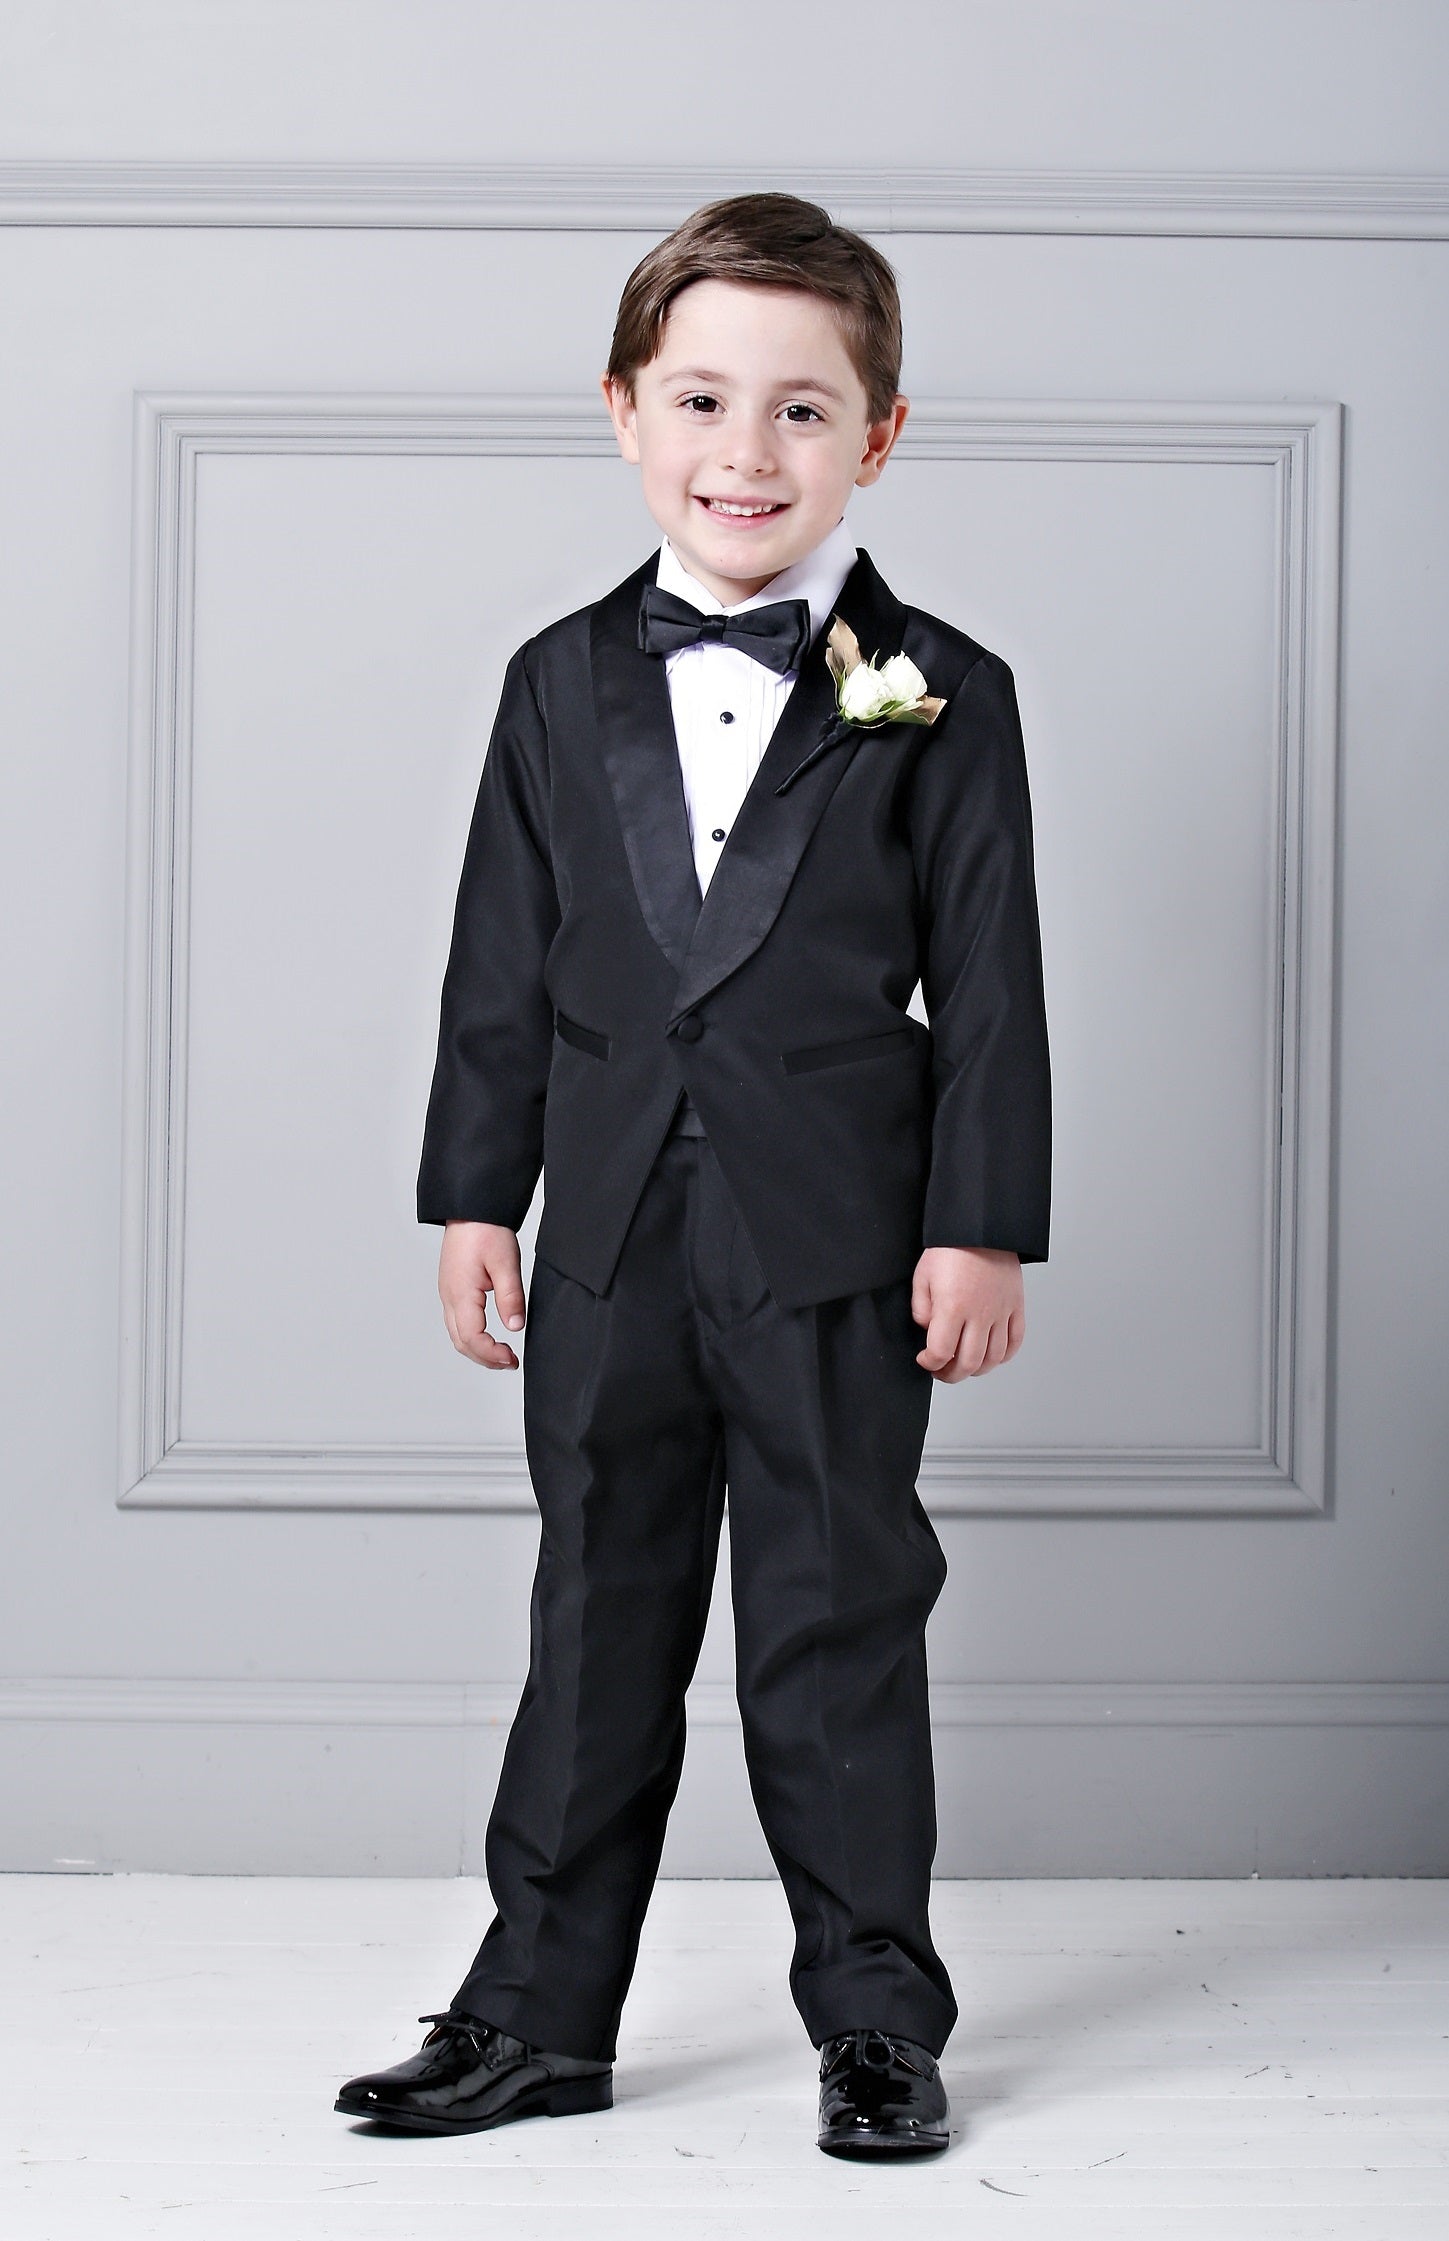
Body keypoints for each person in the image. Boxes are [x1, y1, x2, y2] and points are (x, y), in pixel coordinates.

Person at [335, 191, 1051, 2160]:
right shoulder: (553, 679)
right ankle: (535, 2010)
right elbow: (500, 960)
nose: (748, 450)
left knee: (834, 1624)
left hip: (835, 1237)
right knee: (595, 1619)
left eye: (802, 410)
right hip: (605, 1230)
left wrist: (977, 1222)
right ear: (625, 412)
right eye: (704, 401)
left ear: (875, 436)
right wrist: (474, 1197)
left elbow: (990, 984)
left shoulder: (943, 686)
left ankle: (876, 2018)